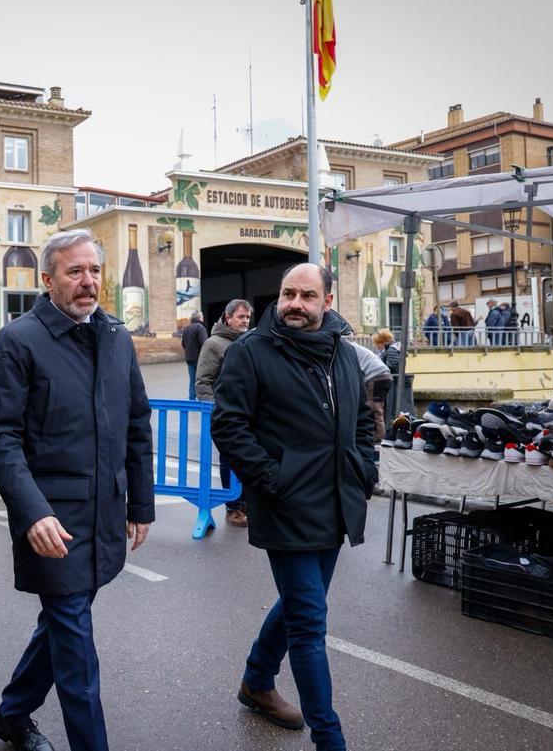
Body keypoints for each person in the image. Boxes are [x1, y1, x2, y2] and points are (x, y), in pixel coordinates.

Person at [0, 228, 154, 751]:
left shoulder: (116, 337)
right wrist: (32, 513)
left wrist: (141, 504)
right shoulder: (20, 340)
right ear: (48, 279)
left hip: (105, 513)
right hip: (52, 521)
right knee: (76, 648)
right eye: (74, 271)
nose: (87, 282)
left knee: (62, 621)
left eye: (94, 271)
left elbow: (136, 423)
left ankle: (12, 715)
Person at [211, 263, 377, 751]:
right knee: (309, 620)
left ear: (328, 301)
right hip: (285, 505)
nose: (294, 304)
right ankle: (330, 739)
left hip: (335, 504)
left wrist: (366, 468)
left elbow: (362, 420)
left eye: (306, 295)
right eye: (287, 294)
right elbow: (229, 426)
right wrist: (270, 480)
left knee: (301, 604)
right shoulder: (251, 352)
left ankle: (256, 680)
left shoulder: (344, 355)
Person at [195, 298, 253, 527]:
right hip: (226, 415)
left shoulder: (250, 341)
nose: (245, 321)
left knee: (249, 458)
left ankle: (247, 504)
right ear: (228, 318)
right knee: (229, 460)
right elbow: (203, 382)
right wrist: (216, 411)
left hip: (249, 414)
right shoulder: (214, 344)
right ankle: (233, 508)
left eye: (248, 317)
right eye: (241, 317)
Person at [352, 342, 392, 445]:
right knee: (377, 409)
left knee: (374, 410)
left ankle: (377, 441)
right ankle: (377, 438)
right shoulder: (353, 347)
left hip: (376, 376)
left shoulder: (347, 349)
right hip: (383, 375)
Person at [181, 310, 208, 399]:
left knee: (192, 380)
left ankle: (192, 400)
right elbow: (204, 344)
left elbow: (183, 344)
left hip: (189, 359)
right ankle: (204, 400)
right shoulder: (200, 328)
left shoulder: (186, 328)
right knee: (203, 380)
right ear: (200, 318)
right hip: (199, 359)